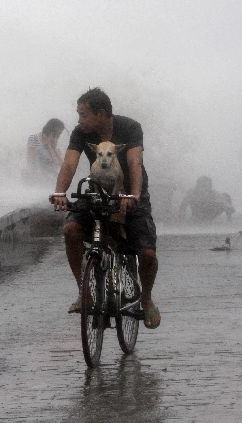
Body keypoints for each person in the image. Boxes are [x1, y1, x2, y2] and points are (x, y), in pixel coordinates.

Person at [49, 87, 160, 329]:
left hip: (130, 193)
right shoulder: (80, 133)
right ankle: (84, 291)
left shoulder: (129, 127)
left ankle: (147, 299)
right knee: (70, 230)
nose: (79, 120)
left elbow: (134, 162)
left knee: (148, 254)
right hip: (97, 191)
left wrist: (134, 195)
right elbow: (69, 164)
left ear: (101, 113)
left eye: (83, 114)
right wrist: (59, 192)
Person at [22, 118, 65, 184]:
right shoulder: (34, 138)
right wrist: (45, 146)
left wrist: (52, 149)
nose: (56, 138)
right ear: (48, 131)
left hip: (51, 177)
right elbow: (30, 160)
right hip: (37, 177)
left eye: (58, 135)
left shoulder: (55, 143)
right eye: (54, 135)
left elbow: (61, 167)